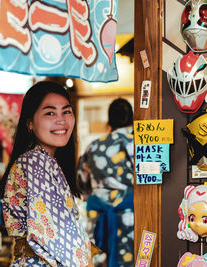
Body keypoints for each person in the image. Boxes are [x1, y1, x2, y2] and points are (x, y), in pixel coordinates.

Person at [0, 81, 94, 267]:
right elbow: (56, 232)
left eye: (66, 111)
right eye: (50, 113)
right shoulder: (35, 161)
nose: (61, 120)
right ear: (29, 123)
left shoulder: (43, 161)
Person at [77, 98, 134, 267]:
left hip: (98, 214)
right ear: (132, 118)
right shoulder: (137, 144)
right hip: (129, 215)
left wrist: (98, 195)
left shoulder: (93, 147)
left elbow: (81, 182)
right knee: (129, 258)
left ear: (109, 120)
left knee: (99, 258)